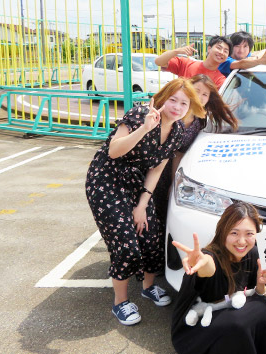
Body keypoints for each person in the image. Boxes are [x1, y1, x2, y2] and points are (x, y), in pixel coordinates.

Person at [85, 78, 206, 326]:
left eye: (184, 102)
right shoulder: (141, 114)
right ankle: (120, 302)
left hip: (136, 183)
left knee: (152, 237)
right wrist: (144, 129)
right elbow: (114, 151)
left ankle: (148, 287)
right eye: (173, 99)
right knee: (126, 243)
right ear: (162, 98)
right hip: (106, 180)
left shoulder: (177, 132)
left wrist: (141, 206)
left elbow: (157, 168)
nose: (177, 106)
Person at [171, 202, 266, 354]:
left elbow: (264, 296)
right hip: (196, 327)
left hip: (226, 316)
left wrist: (261, 284)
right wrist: (202, 262)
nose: (242, 241)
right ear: (223, 232)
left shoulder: (253, 254)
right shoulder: (211, 257)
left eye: (249, 234)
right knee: (237, 322)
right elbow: (209, 266)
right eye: (234, 233)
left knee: (264, 305)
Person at [153, 74, 239, 226]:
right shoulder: (173, 112)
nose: (199, 96)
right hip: (152, 165)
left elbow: (179, 154)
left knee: (164, 215)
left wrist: (174, 183)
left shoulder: (200, 121)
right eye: (196, 90)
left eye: (205, 94)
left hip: (172, 170)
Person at [155, 36, 232, 88]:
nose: (221, 52)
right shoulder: (186, 64)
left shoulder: (220, 80)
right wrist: (176, 51)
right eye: (219, 48)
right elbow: (159, 62)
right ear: (209, 49)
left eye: (225, 51)